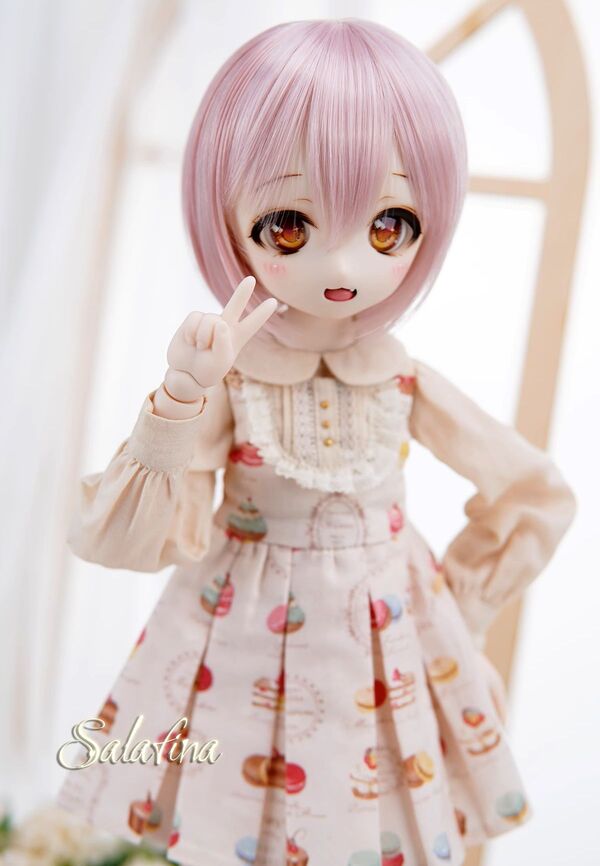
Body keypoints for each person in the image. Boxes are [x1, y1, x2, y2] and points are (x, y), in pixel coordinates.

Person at [56, 19, 576, 866]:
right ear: (227, 219)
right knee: (237, 824)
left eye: (389, 226)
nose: (344, 265)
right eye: (290, 227)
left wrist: (460, 607)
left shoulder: (398, 376)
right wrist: (182, 395)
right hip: (239, 636)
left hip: (387, 634)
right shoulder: (236, 379)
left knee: (373, 824)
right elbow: (125, 534)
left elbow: (533, 493)